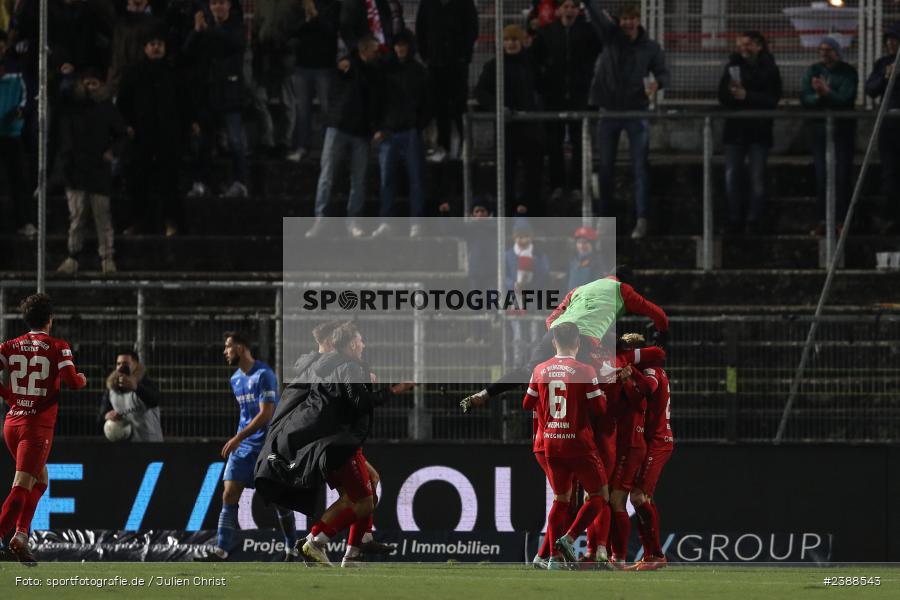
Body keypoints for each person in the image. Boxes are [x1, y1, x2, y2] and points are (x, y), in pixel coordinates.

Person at [460, 268, 669, 408]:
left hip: (556, 333)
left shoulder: (580, 289)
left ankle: (485, 394)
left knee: (528, 370)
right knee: (604, 374)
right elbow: (659, 314)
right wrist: (662, 334)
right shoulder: (624, 290)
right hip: (584, 340)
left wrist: (561, 337)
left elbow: (552, 318)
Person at [0, 293, 87, 565]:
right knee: (22, 483)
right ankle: (4, 534)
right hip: (35, 428)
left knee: (40, 480)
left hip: (12, 424)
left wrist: (9, 396)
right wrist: (83, 380)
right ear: (50, 320)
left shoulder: (9, 346)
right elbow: (72, 382)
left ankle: (21, 536)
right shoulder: (57, 346)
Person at [195, 331, 298, 561]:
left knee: (280, 501)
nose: (225, 351)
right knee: (229, 494)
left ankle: (292, 548)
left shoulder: (264, 374)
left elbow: (266, 413)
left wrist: (238, 437)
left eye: (228, 346)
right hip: (243, 448)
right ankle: (221, 550)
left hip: (268, 446)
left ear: (241, 348)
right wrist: (240, 439)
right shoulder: (235, 379)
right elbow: (246, 413)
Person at [522, 322, 609, 568]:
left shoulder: (539, 369)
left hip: (550, 442)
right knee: (599, 495)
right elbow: (599, 409)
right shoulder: (585, 370)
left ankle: (552, 559)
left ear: (553, 343)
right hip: (579, 443)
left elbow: (527, 404)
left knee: (561, 499)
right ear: (578, 343)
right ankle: (568, 538)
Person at [583, 1, 669, 239]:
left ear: (638, 20)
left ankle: (642, 218)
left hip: (636, 110)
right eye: (624, 19)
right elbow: (596, 15)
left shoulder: (650, 47)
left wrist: (657, 83)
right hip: (609, 109)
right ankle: (603, 219)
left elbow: (663, 72)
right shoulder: (611, 37)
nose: (628, 24)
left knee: (640, 167)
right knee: (606, 168)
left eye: (632, 19)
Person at [306, 35, 383, 239]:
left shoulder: (372, 72)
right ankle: (323, 219)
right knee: (329, 175)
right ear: (365, 50)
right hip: (341, 127)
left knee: (356, 180)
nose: (377, 54)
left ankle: (351, 220)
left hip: (357, 130)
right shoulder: (349, 66)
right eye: (374, 50)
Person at [56, 67, 127, 276]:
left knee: (102, 217)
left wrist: (112, 152)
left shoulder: (107, 109)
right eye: (86, 83)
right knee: (77, 217)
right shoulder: (72, 109)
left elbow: (122, 134)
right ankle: (73, 257)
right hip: (76, 172)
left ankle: (107, 258)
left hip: (98, 172)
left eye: (94, 83)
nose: (89, 87)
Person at [530, 0, 601, 203]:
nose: (569, 10)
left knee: (580, 141)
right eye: (566, 6)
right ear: (559, 9)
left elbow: (598, 53)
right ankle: (557, 185)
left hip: (580, 94)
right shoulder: (547, 32)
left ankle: (578, 185)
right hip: (554, 95)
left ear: (578, 10)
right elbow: (535, 61)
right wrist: (543, 85)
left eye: (573, 6)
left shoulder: (588, 32)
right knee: (553, 142)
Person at [116, 28, 184, 236]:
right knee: (138, 181)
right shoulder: (133, 73)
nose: (156, 48)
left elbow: (184, 102)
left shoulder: (173, 72)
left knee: (169, 181)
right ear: (145, 47)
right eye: (152, 44)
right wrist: (126, 125)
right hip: (141, 135)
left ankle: (171, 222)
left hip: (167, 135)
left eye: (160, 44)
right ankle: (138, 221)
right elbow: (123, 104)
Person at [475, 25, 544, 216]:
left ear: (521, 41)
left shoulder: (531, 64)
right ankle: (507, 213)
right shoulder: (494, 65)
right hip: (508, 128)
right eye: (507, 40)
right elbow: (480, 91)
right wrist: (498, 107)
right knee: (506, 174)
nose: (510, 44)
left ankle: (530, 212)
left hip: (530, 128)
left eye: (514, 40)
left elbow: (542, 86)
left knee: (532, 174)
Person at [717, 31, 782, 235]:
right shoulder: (732, 66)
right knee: (732, 176)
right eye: (741, 44)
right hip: (736, 130)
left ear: (759, 46)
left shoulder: (770, 69)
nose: (743, 48)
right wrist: (732, 94)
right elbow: (721, 96)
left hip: (758, 131)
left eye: (748, 44)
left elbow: (773, 99)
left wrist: (747, 95)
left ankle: (753, 220)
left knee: (757, 178)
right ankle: (735, 220)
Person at [184, 0, 248, 200]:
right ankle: (201, 183)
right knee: (204, 141)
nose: (218, 7)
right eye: (214, 3)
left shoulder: (237, 26)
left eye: (221, 3)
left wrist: (207, 30)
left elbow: (233, 43)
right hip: (208, 93)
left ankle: (240, 183)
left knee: (236, 140)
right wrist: (196, 31)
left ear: (229, 5)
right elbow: (187, 52)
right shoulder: (204, 27)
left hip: (230, 92)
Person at [371, 30, 431, 238]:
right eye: (398, 45)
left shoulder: (419, 72)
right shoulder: (385, 71)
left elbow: (427, 103)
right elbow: (377, 101)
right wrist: (378, 127)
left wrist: (418, 125)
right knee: (388, 179)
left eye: (404, 45)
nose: (401, 48)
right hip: (389, 132)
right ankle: (387, 220)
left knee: (416, 179)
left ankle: (417, 222)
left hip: (410, 131)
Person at [801, 36, 858, 237]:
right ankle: (824, 220)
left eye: (828, 49)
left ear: (837, 52)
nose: (824, 53)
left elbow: (845, 99)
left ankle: (842, 219)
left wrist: (826, 94)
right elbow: (805, 99)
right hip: (820, 132)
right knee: (822, 177)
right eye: (821, 49)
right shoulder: (813, 71)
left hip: (841, 132)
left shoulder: (848, 72)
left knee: (842, 176)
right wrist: (820, 96)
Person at [415, 0, 478, 161]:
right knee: (439, 107)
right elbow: (420, 29)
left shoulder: (465, 3)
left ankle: (465, 147)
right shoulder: (428, 4)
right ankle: (443, 147)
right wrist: (427, 57)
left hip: (457, 65)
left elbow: (472, 28)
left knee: (459, 107)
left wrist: (464, 56)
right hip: (436, 65)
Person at [627, 359, 672, 571]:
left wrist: (632, 373)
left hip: (658, 442)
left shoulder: (651, 371)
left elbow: (648, 386)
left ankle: (657, 555)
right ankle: (650, 556)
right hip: (651, 441)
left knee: (637, 497)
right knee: (644, 499)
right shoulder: (650, 370)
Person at [287, 0, 339, 162]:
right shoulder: (298, 5)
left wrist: (315, 16)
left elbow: (331, 30)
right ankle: (302, 147)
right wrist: (307, 21)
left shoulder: (332, 4)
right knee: (302, 110)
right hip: (303, 64)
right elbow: (292, 31)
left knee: (327, 109)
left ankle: (328, 149)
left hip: (324, 64)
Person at [865, 25, 900, 234]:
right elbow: (871, 89)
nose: (890, 44)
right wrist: (886, 78)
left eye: (894, 40)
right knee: (890, 173)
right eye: (888, 40)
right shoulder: (883, 64)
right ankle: (891, 217)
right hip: (888, 126)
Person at [0, 30, 34, 237]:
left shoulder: (17, 68)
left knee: (18, 180)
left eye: (1, 45)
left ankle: (24, 221)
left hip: (11, 134)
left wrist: (20, 111)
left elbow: (27, 95)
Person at [505, 219, 550, 367]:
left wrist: (531, 284)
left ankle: (533, 364)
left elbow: (544, 274)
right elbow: (502, 275)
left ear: (531, 236)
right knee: (517, 334)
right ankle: (518, 364)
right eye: (518, 236)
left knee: (534, 333)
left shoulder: (539, 254)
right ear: (514, 237)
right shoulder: (508, 255)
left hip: (534, 298)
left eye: (525, 236)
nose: (521, 240)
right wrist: (513, 284)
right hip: (514, 299)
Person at [99, 350, 163, 442]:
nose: (121, 367)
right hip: (126, 447)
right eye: (118, 364)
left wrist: (137, 387)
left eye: (125, 363)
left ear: (136, 364)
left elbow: (155, 400)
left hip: (152, 444)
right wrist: (107, 415)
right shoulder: (112, 390)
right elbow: (101, 415)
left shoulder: (145, 384)